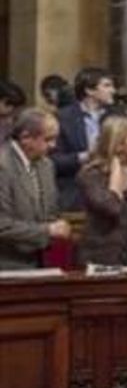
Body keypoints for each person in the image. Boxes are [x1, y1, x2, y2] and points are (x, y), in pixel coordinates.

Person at [0, 109, 72, 269]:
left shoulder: (47, 165)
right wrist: (47, 230)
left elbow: (50, 212)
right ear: (26, 137)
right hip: (6, 265)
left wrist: (57, 225)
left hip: (39, 261)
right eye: (48, 139)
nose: (54, 146)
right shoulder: (3, 166)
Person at [77, 116, 127, 267]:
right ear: (118, 144)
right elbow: (112, 208)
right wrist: (115, 174)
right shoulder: (91, 175)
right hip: (102, 257)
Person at [52, 67, 115, 210]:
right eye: (107, 86)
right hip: (74, 192)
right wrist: (85, 156)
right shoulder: (62, 118)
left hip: (109, 192)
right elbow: (52, 160)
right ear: (89, 90)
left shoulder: (116, 117)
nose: (113, 90)